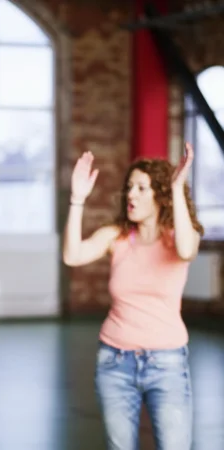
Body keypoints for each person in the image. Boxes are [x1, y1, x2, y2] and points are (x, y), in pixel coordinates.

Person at [62, 143, 204, 450]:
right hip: (114, 361)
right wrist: (77, 199)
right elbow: (73, 255)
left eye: (141, 188)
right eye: (129, 188)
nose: (131, 195)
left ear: (161, 194)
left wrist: (178, 187)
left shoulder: (179, 236)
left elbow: (186, 249)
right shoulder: (118, 236)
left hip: (167, 363)